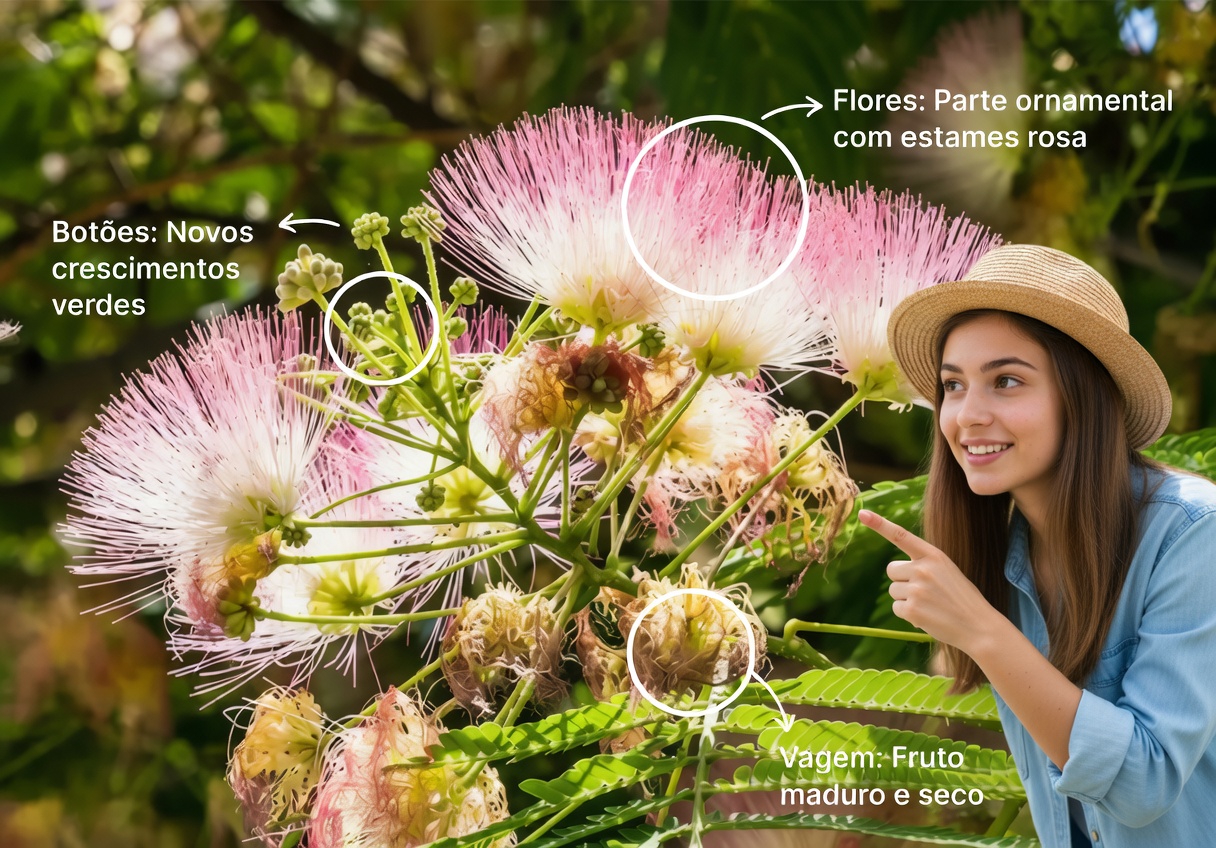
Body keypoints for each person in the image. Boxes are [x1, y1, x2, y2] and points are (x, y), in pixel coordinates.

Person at [857, 244, 1216, 848]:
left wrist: (984, 632)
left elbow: (1143, 783)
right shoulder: (1000, 556)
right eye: (953, 385)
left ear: (1082, 397)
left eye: (1006, 381)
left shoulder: (1192, 534)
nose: (967, 415)